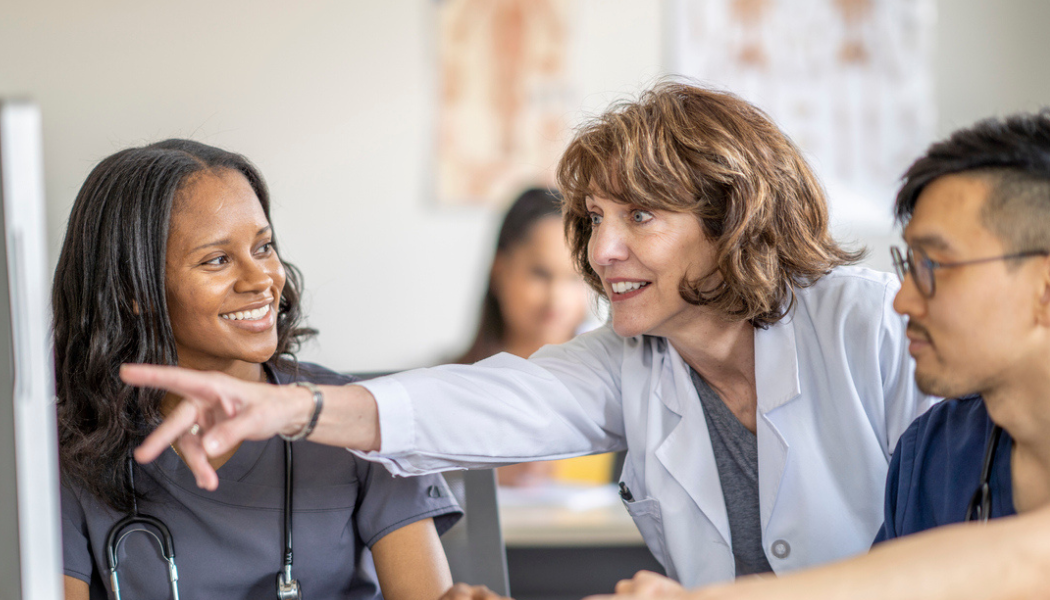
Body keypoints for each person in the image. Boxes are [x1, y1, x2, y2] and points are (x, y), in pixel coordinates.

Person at [122, 83, 934, 587]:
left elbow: (985, 549)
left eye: (640, 216)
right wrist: (286, 410)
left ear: (734, 220)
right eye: (595, 219)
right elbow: (474, 402)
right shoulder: (635, 363)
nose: (601, 251)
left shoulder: (871, 326)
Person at [592, 109, 1050, 600]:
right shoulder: (936, 451)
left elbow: (1021, 560)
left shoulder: (866, 330)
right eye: (909, 264)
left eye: (936, 265)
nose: (904, 300)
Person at [55, 139, 462, 600]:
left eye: (263, 246)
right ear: (135, 289)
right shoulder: (65, 449)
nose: (261, 279)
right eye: (217, 259)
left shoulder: (356, 417)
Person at [455, 186, 596, 486]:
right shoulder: (451, 383)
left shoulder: (614, 387)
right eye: (540, 274)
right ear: (500, 270)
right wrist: (484, 475)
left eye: (574, 279)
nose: (556, 299)